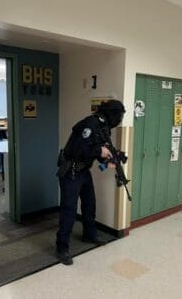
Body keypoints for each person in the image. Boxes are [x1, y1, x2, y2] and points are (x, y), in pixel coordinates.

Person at [56, 99, 126, 265]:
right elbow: (77, 149)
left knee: (90, 204)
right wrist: (99, 151)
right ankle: (62, 248)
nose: (120, 120)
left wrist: (106, 163)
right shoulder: (90, 124)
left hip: (83, 171)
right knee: (69, 210)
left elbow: (95, 152)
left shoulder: (104, 127)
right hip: (71, 171)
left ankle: (89, 234)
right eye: (119, 116)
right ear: (112, 114)